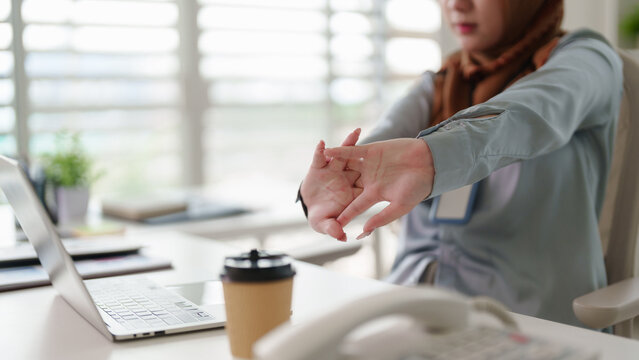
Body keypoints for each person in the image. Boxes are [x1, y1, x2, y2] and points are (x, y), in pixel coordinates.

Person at [298, 0, 623, 327]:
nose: (457, 4)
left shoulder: (589, 60)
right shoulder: (441, 81)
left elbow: (531, 113)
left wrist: (430, 157)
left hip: (528, 325)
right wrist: (336, 179)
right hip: (414, 312)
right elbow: (375, 147)